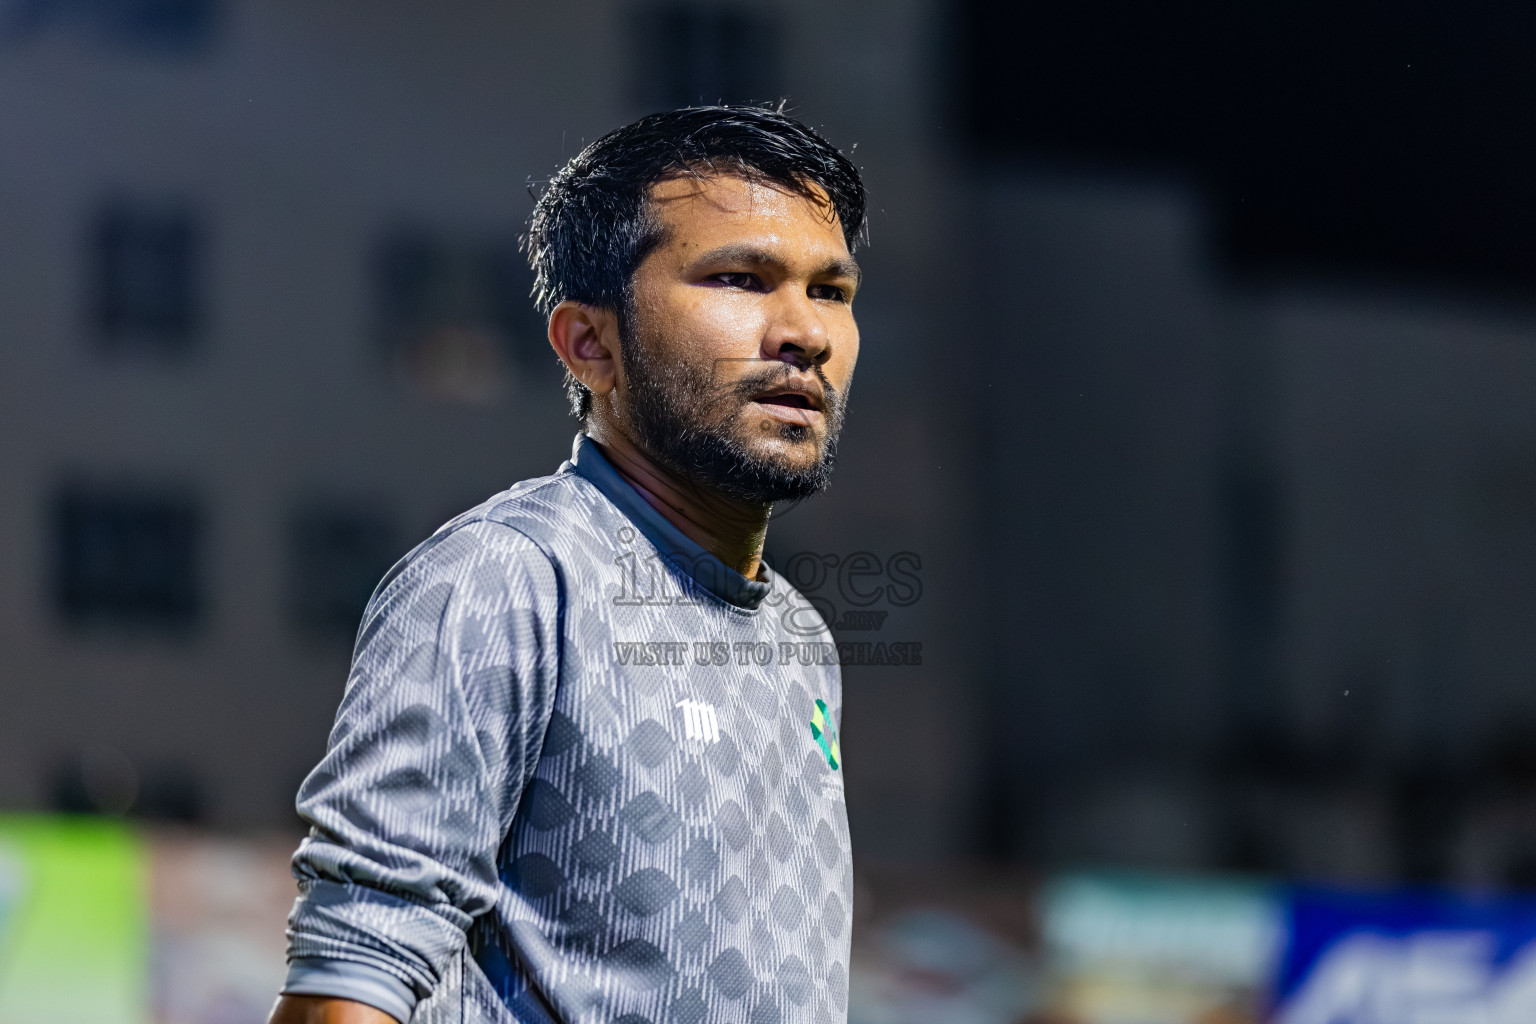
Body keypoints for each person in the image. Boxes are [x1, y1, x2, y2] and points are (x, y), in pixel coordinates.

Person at [267, 105, 866, 1024]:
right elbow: (355, 977)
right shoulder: (508, 581)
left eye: (831, 291)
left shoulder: (800, 638)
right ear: (591, 344)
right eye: (740, 277)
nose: (806, 333)